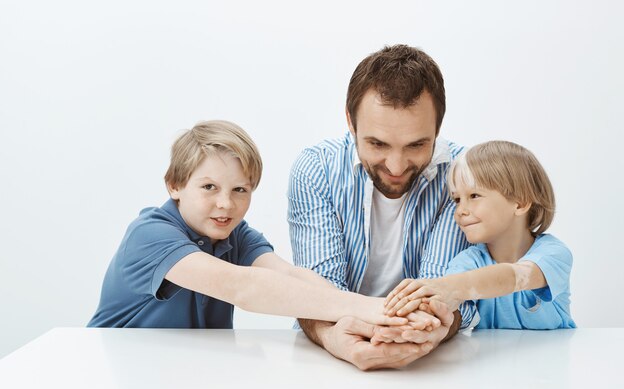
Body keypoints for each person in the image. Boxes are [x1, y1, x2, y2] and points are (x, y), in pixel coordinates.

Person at [88, 120, 417, 329]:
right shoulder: (150, 234)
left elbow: (288, 275)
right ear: (174, 185)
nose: (226, 204)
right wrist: (373, 308)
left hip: (184, 375)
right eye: (209, 187)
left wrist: (371, 319)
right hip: (118, 372)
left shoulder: (235, 235)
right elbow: (242, 286)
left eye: (240, 190)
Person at [288, 44, 478, 370]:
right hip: (322, 364)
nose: (396, 165)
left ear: (437, 129)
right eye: (377, 143)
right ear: (351, 121)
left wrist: (434, 327)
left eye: (417, 144)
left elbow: (442, 292)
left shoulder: (462, 175)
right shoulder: (316, 169)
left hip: (436, 366)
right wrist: (336, 337)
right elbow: (318, 295)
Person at [383, 141, 576, 330]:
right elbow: (445, 305)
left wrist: (449, 287)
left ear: (519, 203)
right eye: (457, 199)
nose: (460, 211)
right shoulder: (468, 261)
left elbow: (515, 276)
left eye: (474, 196)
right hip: (488, 360)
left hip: (555, 358)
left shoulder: (553, 253)